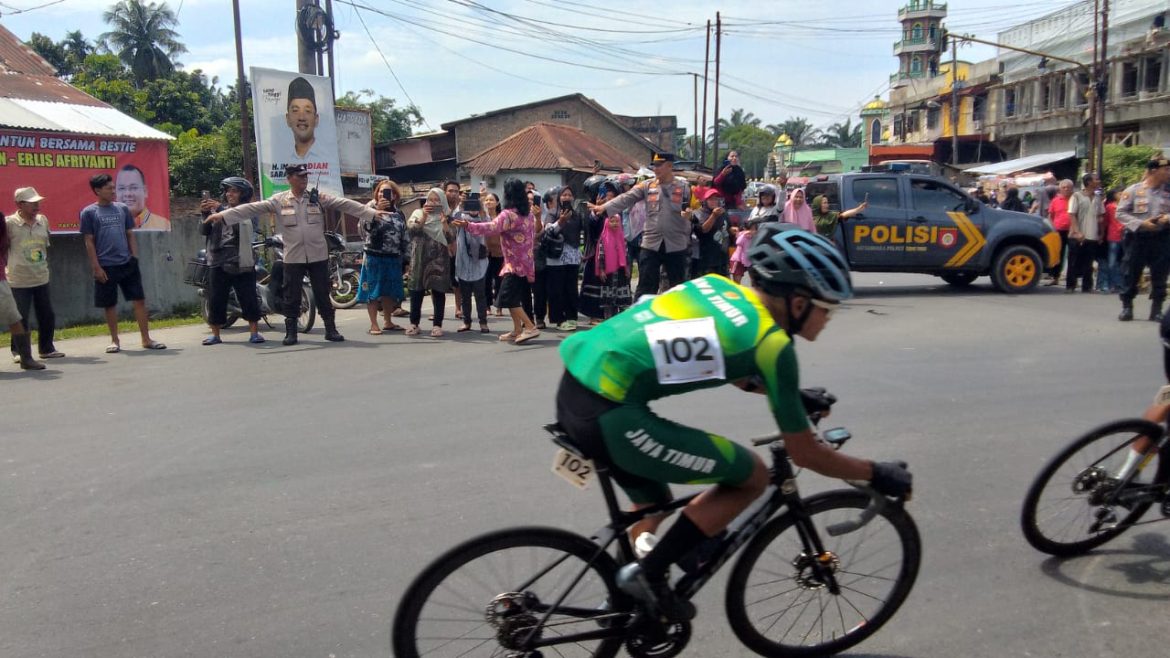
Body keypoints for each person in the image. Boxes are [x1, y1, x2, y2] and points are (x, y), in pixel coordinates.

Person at [554, 225, 912, 620]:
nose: (828, 319)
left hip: (574, 391)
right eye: (826, 308)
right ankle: (649, 576)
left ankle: (626, 604)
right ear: (797, 302)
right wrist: (876, 473)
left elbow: (722, 361)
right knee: (752, 475)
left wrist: (792, 395)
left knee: (652, 504)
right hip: (613, 416)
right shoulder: (773, 344)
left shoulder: (717, 287)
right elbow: (805, 452)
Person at [208, 163, 382, 345]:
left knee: (323, 294)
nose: (304, 179)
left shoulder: (317, 198)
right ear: (289, 178)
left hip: (318, 255)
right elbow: (252, 208)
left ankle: (331, 329)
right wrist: (224, 215)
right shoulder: (279, 200)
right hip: (292, 256)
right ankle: (291, 333)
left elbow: (344, 203)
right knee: (291, 296)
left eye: (306, 176)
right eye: (300, 176)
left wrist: (371, 213)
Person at [80, 173, 166, 353]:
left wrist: (134, 257)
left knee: (139, 300)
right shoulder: (89, 212)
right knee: (109, 304)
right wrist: (96, 267)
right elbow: (89, 241)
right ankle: (115, 341)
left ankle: (146, 339)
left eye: (114, 188)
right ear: (97, 191)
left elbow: (130, 234)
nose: (113, 191)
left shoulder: (122, 209)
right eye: (109, 188)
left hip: (127, 262)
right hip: (105, 265)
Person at [591, 152, 692, 300]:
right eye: (654, 165)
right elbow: (626, 198)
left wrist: (689, 215)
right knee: (646, 286)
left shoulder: (683, 188)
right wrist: (604, 208)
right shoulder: (647, 186)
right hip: (651, 243)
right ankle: (640, 318)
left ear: (670, 166)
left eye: (659, 165)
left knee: (678, 287)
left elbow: (689, 210)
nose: (656, 169)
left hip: (676, 244)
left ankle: (678, 319)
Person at [454, 178, 541, 344]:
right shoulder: (528, 215)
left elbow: (490, 227)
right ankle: (517, 329)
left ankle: (530, 326)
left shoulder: (508, 215)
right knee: (513, 297)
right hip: (525, 263)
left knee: (506, 298)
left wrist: (468, 225)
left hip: (514, 265)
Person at [198, 177, 264, 345]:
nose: (229, 194)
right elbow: (204, 231)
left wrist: (220, 210)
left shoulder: (249, 210)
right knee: (216, 299)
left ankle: (254, 333)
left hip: (241, 260)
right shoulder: (217, 210)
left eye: (234, 191)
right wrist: (205, 214)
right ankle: (216, 334)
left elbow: (244, 226)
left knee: (248, 296)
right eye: (228, 191)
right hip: (218, 260)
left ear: (243, 194)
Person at [6, 186, 63, 360]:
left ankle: (46, 348)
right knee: (20, 317)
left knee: (47, 314)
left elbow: (45, 246)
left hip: (40, 276)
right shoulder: (9, 224)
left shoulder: (42, 220)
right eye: (31, 203)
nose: (36, 206)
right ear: (19, 204)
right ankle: (18, 351)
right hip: (18, 279)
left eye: (37, 202)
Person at [1117, 157, 1170, 321]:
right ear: (1154, 171)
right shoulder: (1133, 190)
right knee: (1130, 273)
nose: (1169, 173)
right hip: (1137, 238)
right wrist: (1142, 224)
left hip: (1162, 237)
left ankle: (1156, 309)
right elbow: (1120, 213)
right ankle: (1127, 307)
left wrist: (1167, 217)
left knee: (1160, 274)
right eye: (1166, 169)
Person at [358, 179, 409, 334]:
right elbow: (363, 230)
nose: (383, 194)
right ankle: (374, 324)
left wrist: (406, 259)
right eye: (380, 191)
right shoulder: (370, 209)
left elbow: (404, 236)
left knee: (389, 291)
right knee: (372, 291)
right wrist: (375, 213)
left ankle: (388, 321)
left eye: (387, 192)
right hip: (374, 257)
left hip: (393, 258)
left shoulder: (398, 213)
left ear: (394, 195)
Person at [405, 188, 455, 337]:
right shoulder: (418, 213)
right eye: (430, 199)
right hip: (419, 257)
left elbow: (451, 239)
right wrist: (425, 216)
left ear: (442, 202)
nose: (433, 203)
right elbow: (412, 230)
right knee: (416, 291)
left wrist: (445, 223)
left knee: (438, 290)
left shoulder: (448, 216)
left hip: (439, 258)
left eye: (437, 200)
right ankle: (414, 324)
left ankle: (437, 325)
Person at [580, 182, 632, 322]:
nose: (608, 200)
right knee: (596, 283)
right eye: (605, 196)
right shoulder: (594, 213)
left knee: (613, 284)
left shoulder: (617, 214)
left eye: (612, 197)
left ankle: (612, 313)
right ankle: (594, 315)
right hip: (597, 253)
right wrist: (597, 211)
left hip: (615, 254)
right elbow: (591, 226)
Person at [543, 186, 584, 331]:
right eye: (564, 195)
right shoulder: (553, 213)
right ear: (559, 198)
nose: (567, 197)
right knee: (557, 289)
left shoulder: (577, 214)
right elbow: (548, 231)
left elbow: (581, 233)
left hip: (572, 256)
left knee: (571, 288)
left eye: (569, 195)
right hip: (556, 256)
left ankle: (572, 317)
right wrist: (560, 222)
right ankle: (559, 319)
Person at [453, 192, 491, 333]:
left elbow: (489, 224)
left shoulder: (483, 217)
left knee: (480, 294)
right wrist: (461, 203)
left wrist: (481, 206)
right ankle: (466, 321)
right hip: (463, 260)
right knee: (465, 295)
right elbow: (453, 216)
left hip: (479, 261)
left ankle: (483, 322)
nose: (472, 207)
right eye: (470, 203)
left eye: (475, 203)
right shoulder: (460, 217)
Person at [1065, 173, 1103, 294]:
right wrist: (1077, 231)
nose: (1098, 181)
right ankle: (1070, 285)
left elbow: (1101, 215)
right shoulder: (1077, 196)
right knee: (1073, 261)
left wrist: (1101, 233)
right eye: (1096, 180)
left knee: (1089, 262)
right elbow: (1072, 214)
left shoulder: (1097, 198)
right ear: (1089, 182)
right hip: (1077, 235)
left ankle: (1087, 286)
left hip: (1092, 234)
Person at [690, 187, 730, 277]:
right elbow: (703, 230)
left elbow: (728, 229)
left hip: (722, 259)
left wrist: (735, 231)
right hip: (705, 260)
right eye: (711, 199)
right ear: (705, 201)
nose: (714, 201)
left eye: (716, 199)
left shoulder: (723, 213)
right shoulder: (698, 214)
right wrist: (714, 215)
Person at [115, 164, 169, 230]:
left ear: (145, 191)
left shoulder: (163, 226)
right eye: (122, 188)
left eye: (134, 187)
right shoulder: (107, 226)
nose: (127, 194)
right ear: (115, 193)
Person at [1046, 179, 1074, 285]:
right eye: (1064, 187)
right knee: (1058, 254)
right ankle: (1055, 277)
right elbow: (1050, 215)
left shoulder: (1075, 199)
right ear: (1060, 189)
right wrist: (1050, 228)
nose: (1066, 189)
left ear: (1072, 188)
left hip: (1073, 231)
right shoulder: (1056, 200)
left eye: (1068, 187)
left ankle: (1072, 279)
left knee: (1073, 255)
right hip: (1058, 230)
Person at [1097, 188, 1124, 294]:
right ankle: (1113, 284)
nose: (1121, 195)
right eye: (1119, 193)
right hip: (1113, 236)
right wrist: (1102, 234)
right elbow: (1105, 222)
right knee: (1112, 262)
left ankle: (1119, 284)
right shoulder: (1110, 207)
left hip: (1125, 237)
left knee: (1122, 261)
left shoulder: (1126, 205)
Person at [482, 192, 506, 316]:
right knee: (486, 280)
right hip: (486, 253)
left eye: (491, 200)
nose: (488, 202)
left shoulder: (502, 216)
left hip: (500, 253)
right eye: (486, 200)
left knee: (499, 280)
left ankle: (499, 306)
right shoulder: (483, 217)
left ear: (497, 202)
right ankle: (487, 306)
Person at [286, 76, 320, 160]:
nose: (301, 117)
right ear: (287, 119)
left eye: (307, 111)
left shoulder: (330, 156)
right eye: (295, 110)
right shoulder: (282, 158)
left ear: (316, 119)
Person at [729, 217, 760, 283]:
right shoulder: (742, 235)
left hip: (750, 260)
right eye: (751, 229)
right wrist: (744, 235)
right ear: (745, 229)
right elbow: (738, 242)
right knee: (736, 283)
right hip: (738, 260)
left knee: (755, 282)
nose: (753, 231)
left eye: (755, 229)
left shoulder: (756, 237)